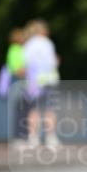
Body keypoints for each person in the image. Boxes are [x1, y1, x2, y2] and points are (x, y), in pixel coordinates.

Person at [22, 19, 60, 147]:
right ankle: (51, 138)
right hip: (50, 79)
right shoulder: (48, 43)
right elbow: (53, 62)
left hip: (35, 80)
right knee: (50, 109)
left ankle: (33, 138)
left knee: (34, 109)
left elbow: (25, 63)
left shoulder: (29, 44)